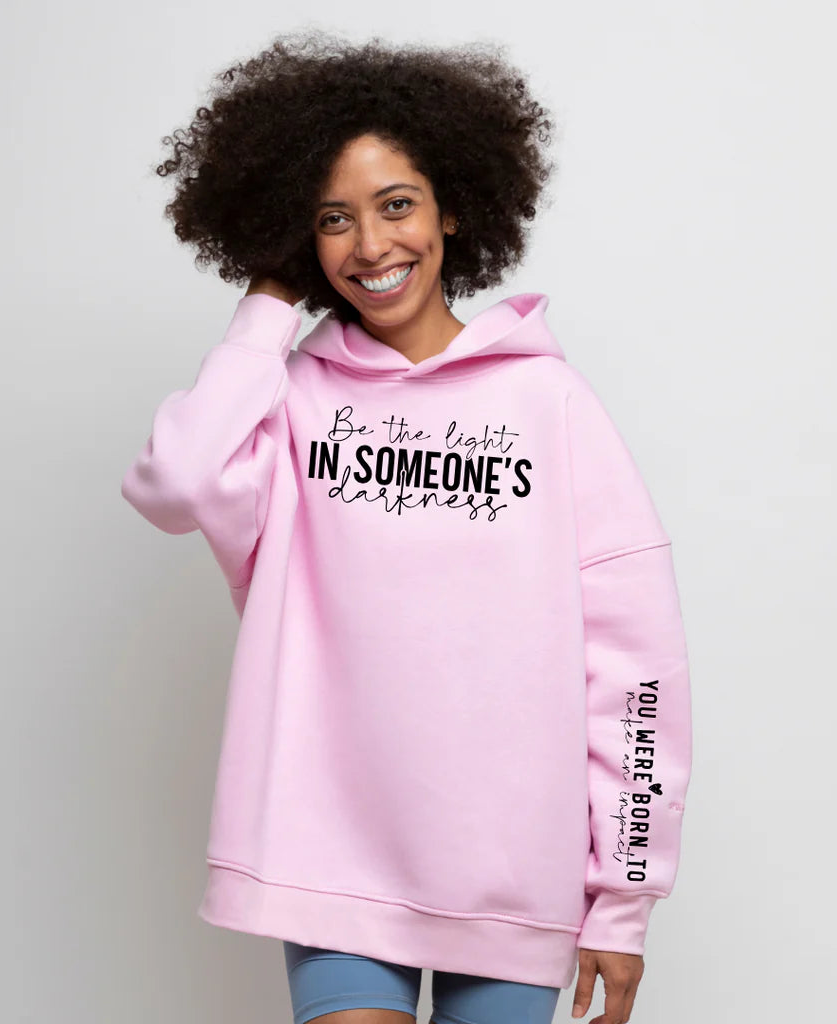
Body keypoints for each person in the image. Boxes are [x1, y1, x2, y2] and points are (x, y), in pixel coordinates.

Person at [121, 29, 692, 1024]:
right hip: (332, 854)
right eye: (331, 219)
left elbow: (637, 666)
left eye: (395, 205)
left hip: (514, 873)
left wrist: (623, 903)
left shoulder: (548, 403)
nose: (371, 244)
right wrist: (268, 298)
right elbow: (178, 479)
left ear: (453, 208)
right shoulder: (289, 398)